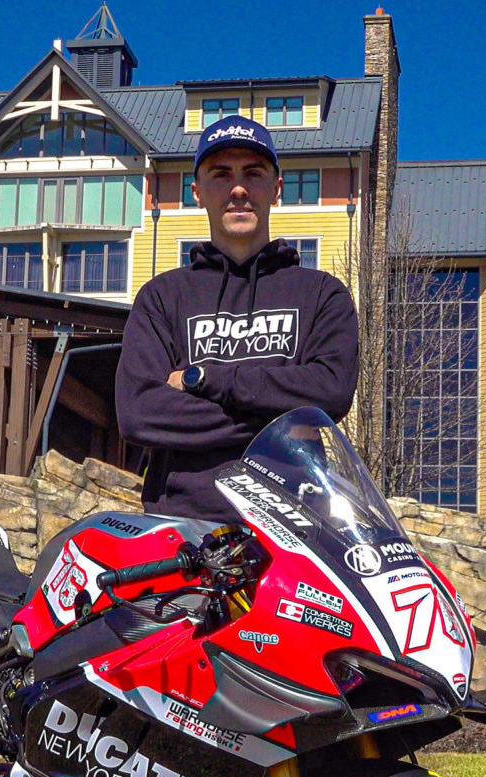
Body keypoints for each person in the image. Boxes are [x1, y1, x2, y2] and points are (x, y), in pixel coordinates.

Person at [115, 115, 359, 525]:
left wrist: (203, 381)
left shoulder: (321, 294)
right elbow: (139, 414)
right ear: (197, 192)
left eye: (253, 173)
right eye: (221, 174)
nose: (239, 188)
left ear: (276, 189)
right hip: (181, 530)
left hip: (298, 528)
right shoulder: (162, 297)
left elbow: (331, 392)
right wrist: (283, 420)